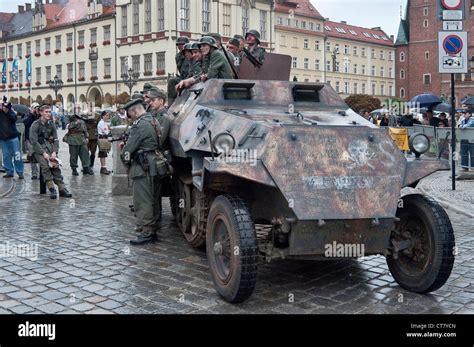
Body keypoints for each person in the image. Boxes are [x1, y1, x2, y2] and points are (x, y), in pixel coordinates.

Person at [120, 98, 163, 245]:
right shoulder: (154, 121)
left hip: (143, 166)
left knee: (143, 200)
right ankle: (154, 228)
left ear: (135, 111)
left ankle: (147, 233)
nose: (130, 117)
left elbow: (128, 150)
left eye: (130, 114)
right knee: (154, 199)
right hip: (156, 164)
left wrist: (125, 158)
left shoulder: (139, 126)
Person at [30, 104, 72, 199]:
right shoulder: (35, 125)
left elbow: (56, 139)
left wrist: (54, 152)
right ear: (41, 113)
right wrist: (43, 153)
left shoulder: (51, 124)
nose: (49, 114)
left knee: (55, 165)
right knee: (45, 166)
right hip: (38, 150)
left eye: (49, 112)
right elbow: (33, 141)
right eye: (46, 112)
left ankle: (62, 189)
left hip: (50, 148)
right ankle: (52, 188)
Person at [0, 97, 24, 179]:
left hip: (13, 137)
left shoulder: (10, 111)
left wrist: (7, 112)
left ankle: (20, 172)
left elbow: (14, 119)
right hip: (3, 138)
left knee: (17, 155)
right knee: (6, 156)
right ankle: (9, 171)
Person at [64, 109, 91, 176]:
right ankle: (74, 169)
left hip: (82, 138)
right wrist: (76, 122)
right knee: (73, 155)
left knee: (85, 153)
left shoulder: (82, 119)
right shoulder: (69, 117)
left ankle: (86, 167)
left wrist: (87, 137)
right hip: (73, 139)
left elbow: (85, 129)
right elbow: (68, 126)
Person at [24, 103, 41, 179]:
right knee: (32, 156)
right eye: (35, 108)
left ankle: (42, 173)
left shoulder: (41, 115)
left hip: (39, 139)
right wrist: (31, 114)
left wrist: (39, 114)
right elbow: (25, 123)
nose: (36, 110)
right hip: (30, 139)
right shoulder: (28, 115)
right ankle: (34, 173)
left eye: (37, 108)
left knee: (41, 156)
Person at [97, 111, 112, 175]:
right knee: (102, 153)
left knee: (103, 153)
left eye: (108, 115)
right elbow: (106, 132)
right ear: (102, 116)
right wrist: (110, 131)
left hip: (103, 138)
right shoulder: (101, 123)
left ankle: (103, 168)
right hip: (102, 138)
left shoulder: (103, 122)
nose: (107, 117)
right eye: (106, 115)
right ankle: (103, 168)